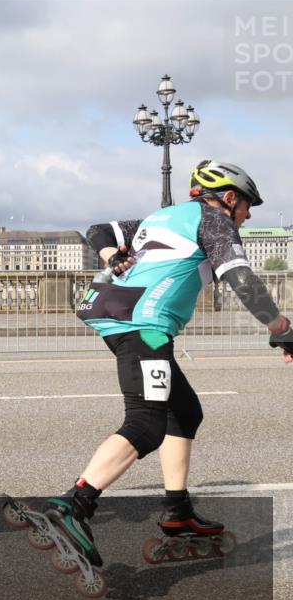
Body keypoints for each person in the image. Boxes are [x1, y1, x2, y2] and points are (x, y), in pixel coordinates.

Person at [56, 159, 293, 566]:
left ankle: (177, 511)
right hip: (145, 326)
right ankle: (72, 506)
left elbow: (98, 231)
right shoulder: (215, 220)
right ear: (230, 198)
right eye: (248, 206)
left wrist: (112, 253)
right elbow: (241, 279)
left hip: (121, 317)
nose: (248, 216)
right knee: (145, 422)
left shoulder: (162, 217)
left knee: (183, 412)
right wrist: (281, 326)